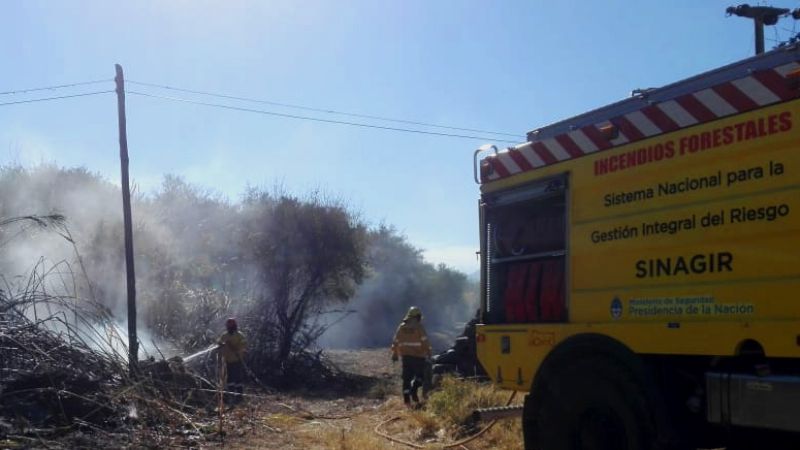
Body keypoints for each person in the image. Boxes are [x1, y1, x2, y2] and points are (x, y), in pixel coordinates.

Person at [391, 306, 432, 407]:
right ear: (417, 316)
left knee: (406, 379)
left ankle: (407, 402)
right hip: (419, 357)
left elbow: (395, 341)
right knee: (420, 377)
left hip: (406, 357)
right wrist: (429, 353)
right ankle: (414, 389)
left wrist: (395, 353)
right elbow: (425, 342)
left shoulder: (401, 327)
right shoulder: (419, 327)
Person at [218, 317, 247, 404]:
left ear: (234, 326)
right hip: (227, 360)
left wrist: (234, 347)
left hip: (237, 360)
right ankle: (231, 396)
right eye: (228, 326)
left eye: (231, 326)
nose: (229, 327)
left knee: (238, 379)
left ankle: (239, 396)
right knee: (230, 379)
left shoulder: (239, 335)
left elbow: (243, 346)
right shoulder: (224, 335)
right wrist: (220, 344)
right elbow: (219, 343)